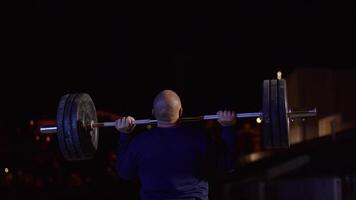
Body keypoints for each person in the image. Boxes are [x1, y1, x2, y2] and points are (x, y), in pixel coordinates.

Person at [115, 90, 237, 200]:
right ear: (181, 111)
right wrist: (228, 128)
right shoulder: (200, 139)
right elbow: (227, 165)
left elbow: (125, 173)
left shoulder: (140, 142)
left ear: (153, 112)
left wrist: (124, 135)